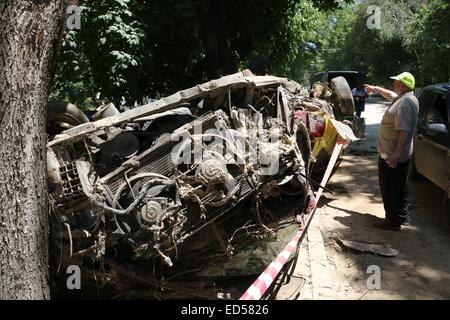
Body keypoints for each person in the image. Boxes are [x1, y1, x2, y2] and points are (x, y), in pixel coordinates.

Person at [364, 72, 419, 231]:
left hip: (392, 155)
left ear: (403, 84)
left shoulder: (404, 103)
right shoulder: (406, 97)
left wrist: (395, 153)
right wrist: (375, 88)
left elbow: (404, 130)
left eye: (396, 81)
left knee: (390, 187)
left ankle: (392, 221)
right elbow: (391, 95)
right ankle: (402, 216)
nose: (394, 83)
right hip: (396, 153)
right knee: (400, 185)